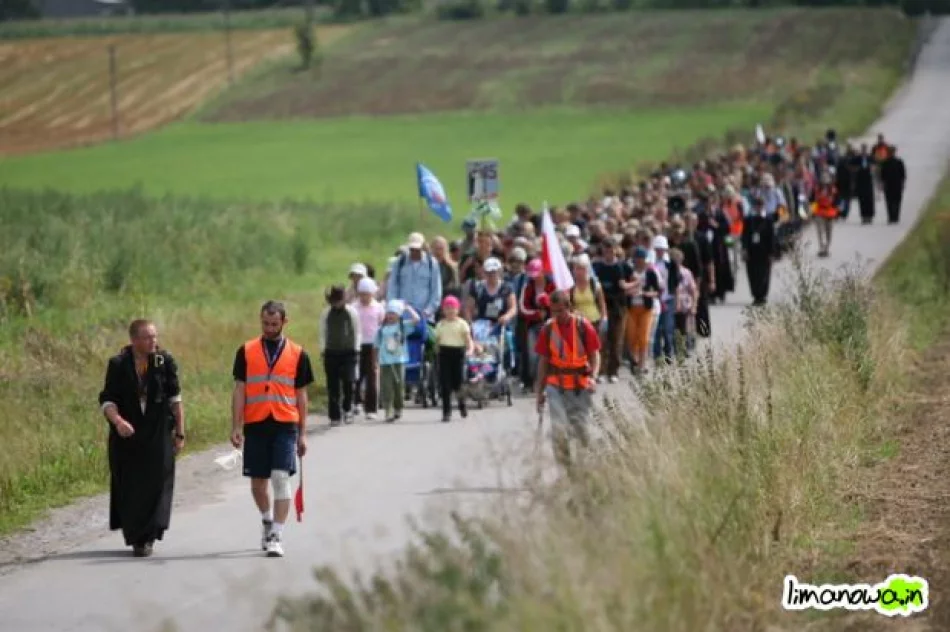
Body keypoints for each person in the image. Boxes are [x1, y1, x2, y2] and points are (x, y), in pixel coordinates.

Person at [230, 301, 315, 558]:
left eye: (274, 324)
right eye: (265, 324)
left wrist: (303, 433)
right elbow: (240, 390)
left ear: (284, 322)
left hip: (285, 423)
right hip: (256, 423)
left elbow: (301, 396)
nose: (269, 328)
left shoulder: (298, 354)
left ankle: (277, 534)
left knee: (280, 478)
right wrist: (236, 426)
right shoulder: (246, 351)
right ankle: (267, 521)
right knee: (258, 485)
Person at [99, 319, 184, 558]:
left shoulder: (164, 362)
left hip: (158, 431)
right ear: (134, 340)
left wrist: (180, 433)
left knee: (158, 481)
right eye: (147, 337)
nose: (153, 342)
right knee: (132, 485)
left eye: (155, 336)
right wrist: (118, 422)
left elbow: (175, 400)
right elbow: (107, 400)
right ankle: (136, 537)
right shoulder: (118, 364)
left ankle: (148, 537)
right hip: (128, 434)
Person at [535, 290, 602, 470]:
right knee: (559, 430)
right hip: (556, 386)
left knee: (582, 430)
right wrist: (539, 392)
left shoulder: (583, 326)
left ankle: (588, 467)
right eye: (553, 311)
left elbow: (595, 355)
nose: (556, 315)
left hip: (580, 385)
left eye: (559, 311)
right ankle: (566, 470)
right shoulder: (548, 329)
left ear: (569, 308)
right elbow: (543, 362)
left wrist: (593, 378)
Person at [592, 236, 634, 382]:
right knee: (601, 340)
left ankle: (613, 371)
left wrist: (633, 286)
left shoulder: (622, 266)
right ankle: (601, 371)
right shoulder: (597, 267)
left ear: (615, 250)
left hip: (618, 307)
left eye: (611, 251)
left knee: (616, 340)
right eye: (606, 251)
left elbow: (632, 280)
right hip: (601, 307)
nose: (608, 254)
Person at [319, 285, 360, 427]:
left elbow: (357, 331)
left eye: (339, 300)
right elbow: (323, 331)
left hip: (349, 352)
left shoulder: (351, 312)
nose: (337, 304)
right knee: (333, 384)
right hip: (331, 352)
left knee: (349, 381)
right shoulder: (326, 313)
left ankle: (347, 409)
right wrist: (323, 349)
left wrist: (356, 348)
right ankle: (334, 415)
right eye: (334, 301)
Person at [375, 300, 420, 423]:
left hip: (399, 361)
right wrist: (375, 360)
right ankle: (388, 411)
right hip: (385, 363)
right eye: (388, 313)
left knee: (398, 387)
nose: (390, 316)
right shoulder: (381, 329)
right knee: (386, 387)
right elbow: (376, 345)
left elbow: (417, 320)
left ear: (399, 315)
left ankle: (398, 408)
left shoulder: (403, 326)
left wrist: (408, 309)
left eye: (393, 313)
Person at [434, 296, 475, 423]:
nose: (450, 311)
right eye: (447, 308)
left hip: (458, 354)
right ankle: (446, 412)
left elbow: (468, 340)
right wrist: (435, 351)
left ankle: (462, 405)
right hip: (444, 354)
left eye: (453, 308)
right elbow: (437, 341)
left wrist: (470, 350)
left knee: (458, 383)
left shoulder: (462, 324)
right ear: (443, 310)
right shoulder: (440, 325)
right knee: (445, 385)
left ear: (458, 309)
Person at [625, 247, 660, 374]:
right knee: (632, 336)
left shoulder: (650, 273)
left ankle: (642, 364)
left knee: (644, 337)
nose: (639, 261)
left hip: (645, 308)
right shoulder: (629, 272)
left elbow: (656, 291)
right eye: (637, 258)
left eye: (642, 258)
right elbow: (624, 288)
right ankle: (634, 362)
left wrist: (645, 293)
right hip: (632, 308)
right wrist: (631, 290)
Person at [353, 277, 384, 421]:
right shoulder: (354, 307)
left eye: (367, 293)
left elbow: (382, 324)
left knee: (372, 375)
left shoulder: (378, 307)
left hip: (373, 345)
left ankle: (371, 408)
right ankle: (356, 402)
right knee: (357, 375)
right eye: (362, 294)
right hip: (358, 344)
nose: (365, 297)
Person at [742, 198, 778, 306]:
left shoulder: (768, 219)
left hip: (764, 251)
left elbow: (772, 237)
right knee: (752, 273)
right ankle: (755, 295)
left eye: (760, 205)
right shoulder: (749, 220)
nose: (758, 208)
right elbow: (745, 235)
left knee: (764, 273)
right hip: (752, 251)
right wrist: (744, 249)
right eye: (756, 206)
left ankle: (762, 295)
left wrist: (771, 253)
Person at [651, 235, 680, 365]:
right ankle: (657, 356)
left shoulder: (671, 265)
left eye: (662, 249)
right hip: (655, 300)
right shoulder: (651, 264)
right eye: (657, 249)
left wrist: (676, 300)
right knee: (656, 329)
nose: (660, 252)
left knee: (668, 328)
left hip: (668, 299)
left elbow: (676, 282)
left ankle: (669, 355)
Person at [670, 248, 698, 356]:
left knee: (684, 328)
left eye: (678, 260)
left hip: (684, 305)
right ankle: (673, 349)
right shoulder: (668, 272)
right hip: (671, 304)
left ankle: (683, 348)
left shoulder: (686, 273)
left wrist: (694, 305)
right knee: (672, 328)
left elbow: (693, 290)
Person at [812, 172, 838, 257]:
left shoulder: (833, 190)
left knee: (829, 232)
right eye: (823, 179)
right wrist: (812, 212)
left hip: (830, 213)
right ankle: (821, 248)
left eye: (826, 180)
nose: (825, 182)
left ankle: (827, 247)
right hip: (819, 212)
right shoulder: (817, 189)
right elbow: (813, 201)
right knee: (820, 231)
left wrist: (837, 213)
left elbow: (836, 202)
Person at [880, 145, 907, 225]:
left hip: (897, 184)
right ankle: (891, 217)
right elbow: (882, 175)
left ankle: (895, 216)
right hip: (888, 185)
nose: (891, 153)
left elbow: (903, 174)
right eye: (890, 151)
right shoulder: (885, 162)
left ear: (894, 152)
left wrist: (902, 184)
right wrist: (882, 184)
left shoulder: (899, 162)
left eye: (892, 151)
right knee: (889, 202)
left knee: (897, 201)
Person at [855, 145, 876, 225]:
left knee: (869, 199)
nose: (864, 151)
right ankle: (863, 216)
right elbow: (851, 166)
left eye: (865, 149)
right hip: (860, 181)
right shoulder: (857, 158)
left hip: (868, 181)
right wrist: (857, 168)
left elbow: (875, 166)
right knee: (862, 200)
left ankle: (869, 216)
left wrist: (872, 168)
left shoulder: (870, 158)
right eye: (862, 149)